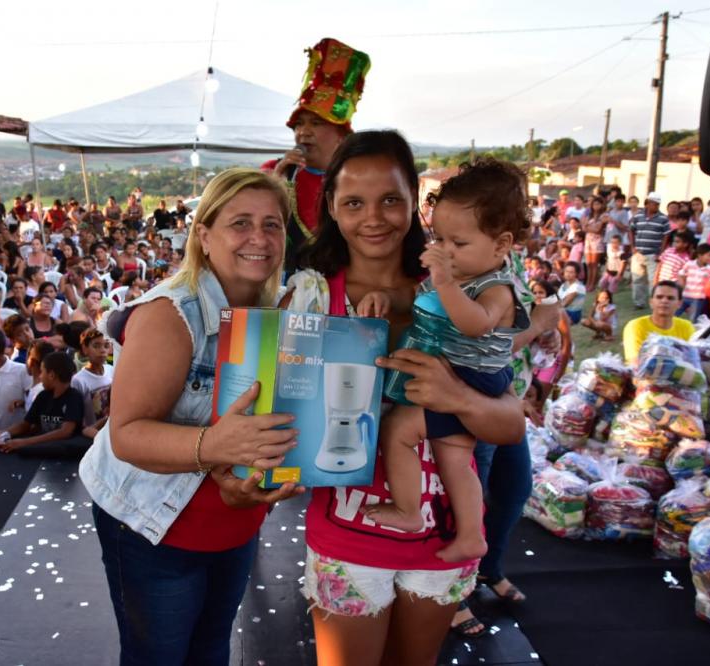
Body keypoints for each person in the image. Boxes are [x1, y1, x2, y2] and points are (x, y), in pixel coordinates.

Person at [284, 131, 524, 664]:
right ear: (331, 208)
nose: (374, 217)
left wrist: (455, 394)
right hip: (347, 536)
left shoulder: (463, 287)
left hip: (441, 541)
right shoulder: (312, 296)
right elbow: (280, 419)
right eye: (354, 202)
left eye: (390, 199)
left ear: (414, 199)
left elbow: (510, 424)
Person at [79, 168, 308, 665]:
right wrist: (217, 447)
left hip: (234, 521)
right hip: (152, 527)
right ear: (203, 235)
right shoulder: (170, 315)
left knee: (208, 650)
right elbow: (128, 435)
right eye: (240, 223)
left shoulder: (282, 312)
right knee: (158, 657)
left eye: (272, 225)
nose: (259, 238)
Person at [355, 157, 530, 566]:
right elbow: (422, 301)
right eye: (440, 239)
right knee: (454, 459)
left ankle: (408, 509)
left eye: (459, 244)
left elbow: (473, 325)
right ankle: (471, 535)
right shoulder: (463, 276)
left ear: (501, 245)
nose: (446, 252)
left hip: (474, 378)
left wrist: (446, 282)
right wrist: (390, 298)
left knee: (399, 429)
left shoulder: (496, 287)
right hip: (459, 373)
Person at [262, 37, 370, 274]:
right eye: (299, 124)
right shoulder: (274, 171)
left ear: (342, 135)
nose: (303, 132)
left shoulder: (361, 179)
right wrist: (274, 187)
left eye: (316, 123)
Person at [0, 351, 84, 455]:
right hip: (42, 452)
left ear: (51, 375)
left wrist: (25, 442)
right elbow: (25, 424)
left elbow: (65, 432)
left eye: (42, 372)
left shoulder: (74, 398)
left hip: (64, 455)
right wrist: (4, 434)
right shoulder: (43, 396)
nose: (40, 377)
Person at [622, 281, 693, 365]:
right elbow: (635, 363)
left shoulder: (686, 326)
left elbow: (693, 360)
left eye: (670, 298)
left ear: (679, 304)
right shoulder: (635, 326)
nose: (664, 301)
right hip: (644, 375)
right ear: (651, 302)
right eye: (659, 297)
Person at [70, 327, 113, 439]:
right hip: (91, 434)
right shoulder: (79, 380)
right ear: (85, 349)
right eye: (96, 346)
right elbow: (77, 414)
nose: (102, 350)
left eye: (106, 345)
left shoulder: (111, 370)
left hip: (111, 429)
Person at [629, 192, 670, 309]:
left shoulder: (663, 218)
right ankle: (638, 303)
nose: (656, 206)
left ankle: (655, 304)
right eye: (654, 204)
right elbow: (631, 230)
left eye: (658, 204)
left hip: (653, 254)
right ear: (647, 203)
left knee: (653, 281)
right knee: (637, 279)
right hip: (638, 253)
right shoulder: (638, 216)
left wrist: (661, 252)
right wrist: (632, 246)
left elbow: (666, 236)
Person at [678, 242, 710, 322]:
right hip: (685, 295)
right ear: (700, 255)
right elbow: (681, 274)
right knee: (674, 314)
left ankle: (692, 333)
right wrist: (682, 287)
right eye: (709, 255)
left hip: (698, 298)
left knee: (693, 319)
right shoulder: (689, 264)